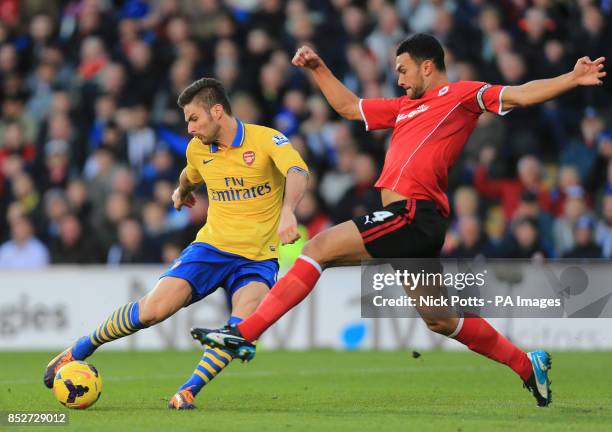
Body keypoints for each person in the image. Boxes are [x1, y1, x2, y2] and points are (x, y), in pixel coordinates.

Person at [192, 34, 606, 408]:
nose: (400, 80)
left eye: (403, 70)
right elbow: (349, 108)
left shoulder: (460, 95)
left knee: (318, 248)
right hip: (412, 224)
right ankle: (525, 364)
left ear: (428, 66)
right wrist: (318, 68)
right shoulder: (405, 107)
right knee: (440, 319)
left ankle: (243, 333)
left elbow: (518, 94)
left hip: (411, 212)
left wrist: (570, 79)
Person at [43, 78, 309, 409]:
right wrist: (182, 192)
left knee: (241, 326)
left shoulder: (266, 139)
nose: (189, 128)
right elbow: (190, 173)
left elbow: (298, 172)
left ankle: (187, 392)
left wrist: (288, 212)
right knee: (154, 310)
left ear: (217, 111)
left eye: (194, 119)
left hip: (257, 259)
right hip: (211, 249)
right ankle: (80, 348)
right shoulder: (198, 149)